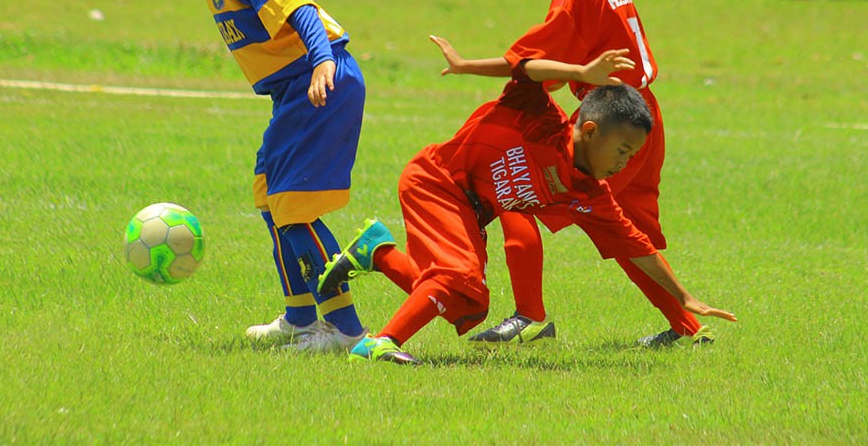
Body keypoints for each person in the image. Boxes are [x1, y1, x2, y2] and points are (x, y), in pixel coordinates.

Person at [315, 51, 736, 364]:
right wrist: (580, 74)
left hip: (470, 212)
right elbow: (528, 69)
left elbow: (637, 246)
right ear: (589, 131)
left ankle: (378, 251)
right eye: (623, 151)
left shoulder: (589, 194)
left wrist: (684, 297)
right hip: (436, 180)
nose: (625, 163)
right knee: (459, 278)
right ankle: (379, 344)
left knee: (468, 306)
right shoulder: (540, 118)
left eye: (632, 156)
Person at [430, 0, 707, 348]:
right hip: (641, 117)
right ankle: (687, 326)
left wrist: (464, 65)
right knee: (629, 229)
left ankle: (528, 316)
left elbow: (527, 66)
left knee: (517, 193)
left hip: (611, 125)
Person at [131, 0, 367, 352]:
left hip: (320, 80)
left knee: (292, 209)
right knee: (269, 199)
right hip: (293, 92)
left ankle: (345, 330)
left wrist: (321, 60)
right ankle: (300, 317)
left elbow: (297, 6)